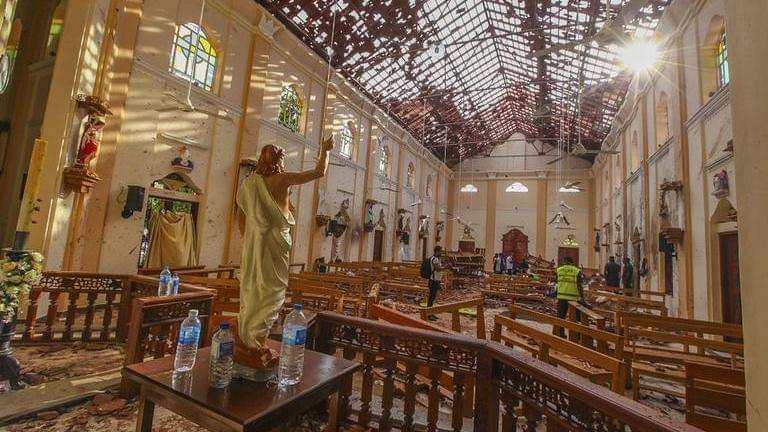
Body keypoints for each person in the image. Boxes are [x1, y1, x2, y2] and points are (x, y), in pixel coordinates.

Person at [236, 136, 334, 353]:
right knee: (273, 290)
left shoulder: (249, 184)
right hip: (276, 242)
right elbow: (319, 172)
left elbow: (240, 216)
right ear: (279, 160)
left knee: (254, 287)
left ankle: (249, 337)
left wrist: (250, 239)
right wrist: (325, 150)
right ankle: (257, 341)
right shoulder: (283, 179)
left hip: (255, 243)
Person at [555, 256, 583, 336]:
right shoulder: (576, 271)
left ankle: (560, 334)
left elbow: (557, 282)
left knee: (561, 316)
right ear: (572, 262)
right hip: (573, 297)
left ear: (564, 261)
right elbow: (579, 285)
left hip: (562, 296)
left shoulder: (559, 270)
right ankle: (577, 336)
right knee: (576, 318)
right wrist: (582, 297)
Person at [427, 246, 444, 319]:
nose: (441, 252)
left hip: (435, 280)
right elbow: (438, 269)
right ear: (437, 251)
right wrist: (446, 267)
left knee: (433, 298)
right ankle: (429, 314)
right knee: (431, 298)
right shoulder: (435, 259)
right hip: (433, 281)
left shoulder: (435, 258)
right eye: (441, 251)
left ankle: (431, 313)